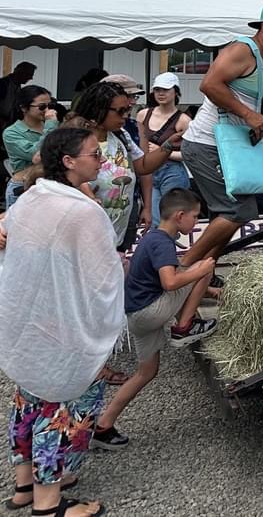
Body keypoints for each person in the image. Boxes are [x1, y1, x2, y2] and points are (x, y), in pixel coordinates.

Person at [0, 127, 122, 516]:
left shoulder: (35, 196)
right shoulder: (80, 210)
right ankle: (50, 504)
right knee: (66, 408)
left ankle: (25, 486)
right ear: (69, 162)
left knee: (30, 400)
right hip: (65, 323)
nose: (101, 160)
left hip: (33, 321)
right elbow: (100, 276)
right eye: (94, 154)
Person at [92, 189, 217, 451]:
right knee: (205, 266)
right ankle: (184, 327)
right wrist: (204, 273)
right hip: (149, 313)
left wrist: (212, 292)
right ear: (180, 216)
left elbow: (173, 279)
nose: (196, 222)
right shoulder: (163, 243)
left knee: (146, 372)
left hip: (136, 315)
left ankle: (103, 425)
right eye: (195, 217)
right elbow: (170, 282)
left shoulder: (153, 238)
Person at [181, 2, 263, 265]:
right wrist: (250, 116)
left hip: (228, 148)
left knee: (226, 216)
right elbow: (209, 84)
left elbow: (241, 101)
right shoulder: (243, 49)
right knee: (237, 210)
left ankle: (201, 274)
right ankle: (182, 269)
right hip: (206, 144)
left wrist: (254, 123)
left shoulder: (261, 59)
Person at [72, 82, 181, 249]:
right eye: (120, 111)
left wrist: (167, 145)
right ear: (99, 110)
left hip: (117, 233)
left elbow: (143, 166)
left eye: (128, 110)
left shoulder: (121, 135)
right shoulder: (75, 140)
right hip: (84, 237)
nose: (126, 116)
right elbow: (68, 177)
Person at [137, 73, 192, 226]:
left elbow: (191, 154)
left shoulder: (184, 120)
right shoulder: (143, 115)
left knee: (171, 219)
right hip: (148, 171)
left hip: (172, 170)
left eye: (166, 90)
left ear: (176, 91)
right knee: (153, 218)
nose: (161, 94)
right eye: (157, 90)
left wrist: (163, 150)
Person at [1, 86, 59, 206]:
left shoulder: (51, 126)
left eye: (50, 105)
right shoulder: (11, 133)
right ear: (24, 108)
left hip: (49, 185)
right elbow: (36, 154)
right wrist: (51, 125)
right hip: (23, 187)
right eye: (42, 107)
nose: (47, 110)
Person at [0, 61, 37, 126]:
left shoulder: (16, 86)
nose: (31, 78)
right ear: (21, 73)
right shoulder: (2, 84)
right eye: (29, 74)